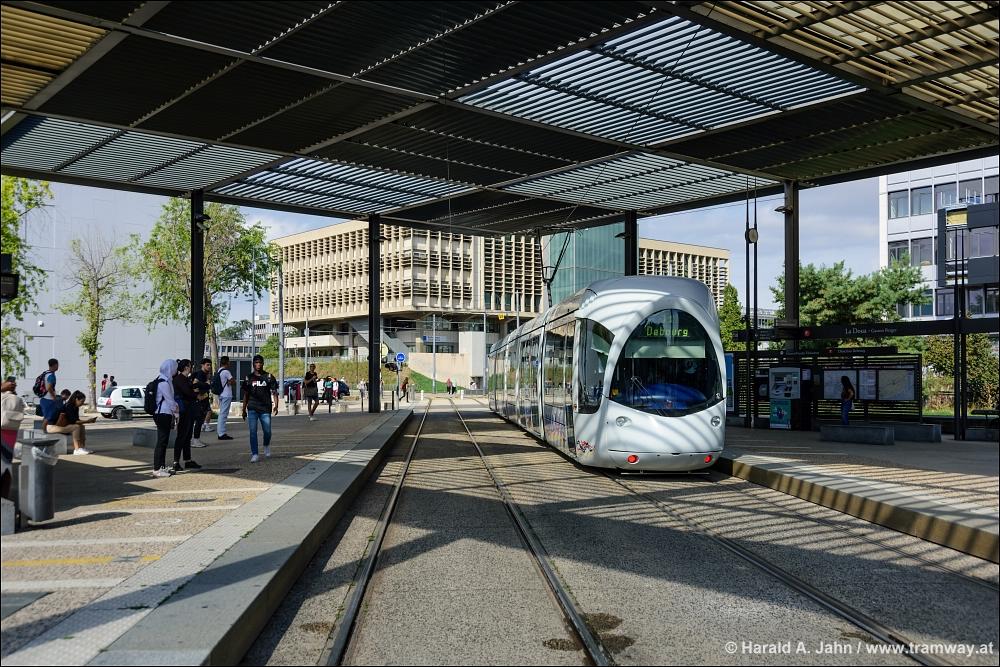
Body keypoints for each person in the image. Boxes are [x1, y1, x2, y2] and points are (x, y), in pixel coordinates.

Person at [241, 355, 279, 463]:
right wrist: (243, 410)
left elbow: (274, 392)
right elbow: (246, 395)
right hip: (252, 408)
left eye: (260, 362)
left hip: (265, 408)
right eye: (256, 362)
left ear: (263, 363)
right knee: (253, 432)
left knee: (267, 431)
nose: (258, 364)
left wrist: (276, 405)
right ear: (253, 364)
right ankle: (255, 454)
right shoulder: (248, 378)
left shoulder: (269, 377)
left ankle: (266, 444)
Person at [171, 359, 201, 471]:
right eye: (190, 366)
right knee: (181, 436)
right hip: (183, 411)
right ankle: (176, 462)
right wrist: (196, 394)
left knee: (187, 436)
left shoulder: (185, 379)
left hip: (188, 410)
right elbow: (188, 392)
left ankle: (187, 460)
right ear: (186, 367)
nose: (191, 368)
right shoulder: (179, 379)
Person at [152, 359, 179, 478]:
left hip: (163, 413)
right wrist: (177, 413)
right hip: (163, 414)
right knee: (162, 442)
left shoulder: (164, 380)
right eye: (175, 368)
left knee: (163, 442)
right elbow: (170, 400)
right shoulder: (164, 383)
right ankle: (157, 469)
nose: (176, 370)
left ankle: (161, 467)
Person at [1, 378, 26, 501]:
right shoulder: (14, 398)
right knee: (6, 467)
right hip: (10, 431)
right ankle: (4, 500)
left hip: (7, 433)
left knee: (5, 467)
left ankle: (4, 502)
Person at [51, 390, 97, 455]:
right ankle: (77, 449)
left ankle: (82, 447)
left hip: (65, 425)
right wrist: (88, 421)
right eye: (81, 401)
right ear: (76, 399)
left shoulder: (75, 407)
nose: (82, 403)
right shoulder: (69, 406)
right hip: (57, 426)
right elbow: (73, 421)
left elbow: (76, 420)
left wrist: (87, 421)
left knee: (81, 426)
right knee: (76, 427)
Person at [191, 358, 212, 448]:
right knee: (199, 421)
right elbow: (195, 385)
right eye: (207, 365)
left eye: (210, 365)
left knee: (200, 421)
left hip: (204, 400)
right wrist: (198, 396)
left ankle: (196, 439)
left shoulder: (205, 374)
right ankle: (195, 440)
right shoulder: (200, 374)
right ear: (202, 365)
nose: (209, 366)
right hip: (200, 402)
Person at [37, 358, 59, 428]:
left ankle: (43, 430)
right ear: (55, 365)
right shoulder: (51, 375)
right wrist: (54, 397)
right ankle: (44, 431)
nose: (58, 366)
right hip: (49, 399)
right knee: (48, 417)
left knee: (46, 416)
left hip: (43, 398)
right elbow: (49, 387)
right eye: (57, 365)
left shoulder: (45, 373)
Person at [216, 356, 235, 441]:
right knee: (223, 414)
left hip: (221, 394)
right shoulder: (226, 371)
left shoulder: (219, 371)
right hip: (226, 394)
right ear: (227, 362)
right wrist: (231, 381)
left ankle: (221, 432)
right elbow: (233, 381)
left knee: (222, 413)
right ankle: (221, 433)